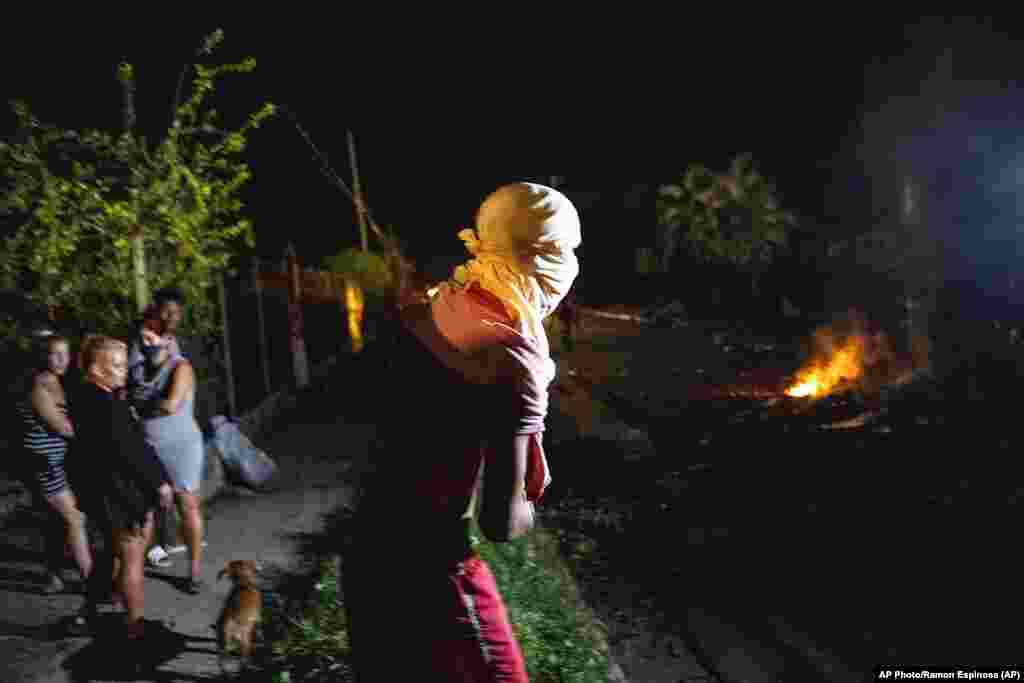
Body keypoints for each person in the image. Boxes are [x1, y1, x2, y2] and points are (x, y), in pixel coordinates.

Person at [344, 182, 581, 681]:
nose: (572, 267)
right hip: (433, 571)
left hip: (367, 555)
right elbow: (501, 522)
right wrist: (531, 501)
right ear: (544, 255)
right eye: (567, 252)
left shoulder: (434, 305)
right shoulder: (514, 354)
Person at [67, 334, 174, 638]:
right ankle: (135, 626)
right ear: (95, 370)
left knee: (111, 555)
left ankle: (89, 612)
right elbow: (131, 451)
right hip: (121, 494)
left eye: (124, 364)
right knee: (131, 558)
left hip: (102, 492)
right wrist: (160, 483)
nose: (124, 371)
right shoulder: (108, 405)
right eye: (116, 365)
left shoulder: (85, 397)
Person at [126, 288, 207, 593]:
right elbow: (129, 388)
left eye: (177, 312)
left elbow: (169, 405)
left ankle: (194, 572)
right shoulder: (138, 356)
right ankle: (129, 574)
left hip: (181, 444)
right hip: (147, 443)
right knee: (145, 510)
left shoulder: (180, 364)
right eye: (167, 312)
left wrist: (138, 405)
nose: (172, 318)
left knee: (187, 504)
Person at [14, 331, 91, 594]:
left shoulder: (56, 381)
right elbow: (63, 427)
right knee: (75, 518)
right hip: (44, 463)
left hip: (56, 461)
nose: (61, 359)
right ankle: (91, 581)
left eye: (65, 354)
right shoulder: (38, 385)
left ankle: (53, 577)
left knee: (56, 522)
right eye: (54, 354)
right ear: (42, 356)